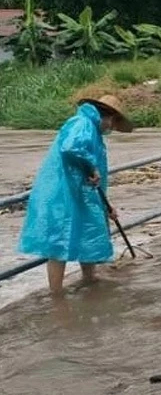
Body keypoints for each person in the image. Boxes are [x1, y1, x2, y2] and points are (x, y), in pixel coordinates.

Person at [17, 95, 133, 296]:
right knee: (58, 243)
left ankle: (89, 279)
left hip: (80, 193)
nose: (111, 129)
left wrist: (107, 207)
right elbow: (71, 147)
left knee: (89, 234)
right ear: (109, 117)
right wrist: (91, 166)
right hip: (62, 193)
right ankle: (57, 294)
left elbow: (91, 174)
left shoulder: (92, 129)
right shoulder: (82, 123)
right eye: (113, 124)